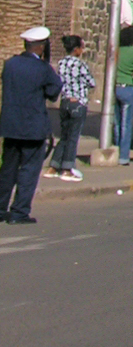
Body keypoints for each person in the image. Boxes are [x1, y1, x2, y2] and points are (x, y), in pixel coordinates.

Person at [2, 27, 60, 221]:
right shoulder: (42, 68)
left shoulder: (10, 64)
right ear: (41, 47)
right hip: (33, 127)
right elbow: (53, 91)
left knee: (8, 169)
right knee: (29, 169)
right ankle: (19, 211)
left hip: (11, 126)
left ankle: (1, 208)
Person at [48, 33, 95, 181]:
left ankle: (53, 166)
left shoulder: (61, 63)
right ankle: (67, 169)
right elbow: (91, 82)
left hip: (65, 101)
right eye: (81, 47)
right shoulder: (80, 65)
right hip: (78, 102)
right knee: (73, 137)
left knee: (64, 136)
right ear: (76, 49)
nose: (82, 50)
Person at [112, 25, 133, 166]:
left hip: (115, 87)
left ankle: (115, 149)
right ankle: (124, 156)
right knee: (126, 124)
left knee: (116, 122)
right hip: (127, 88)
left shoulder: (116, 51)